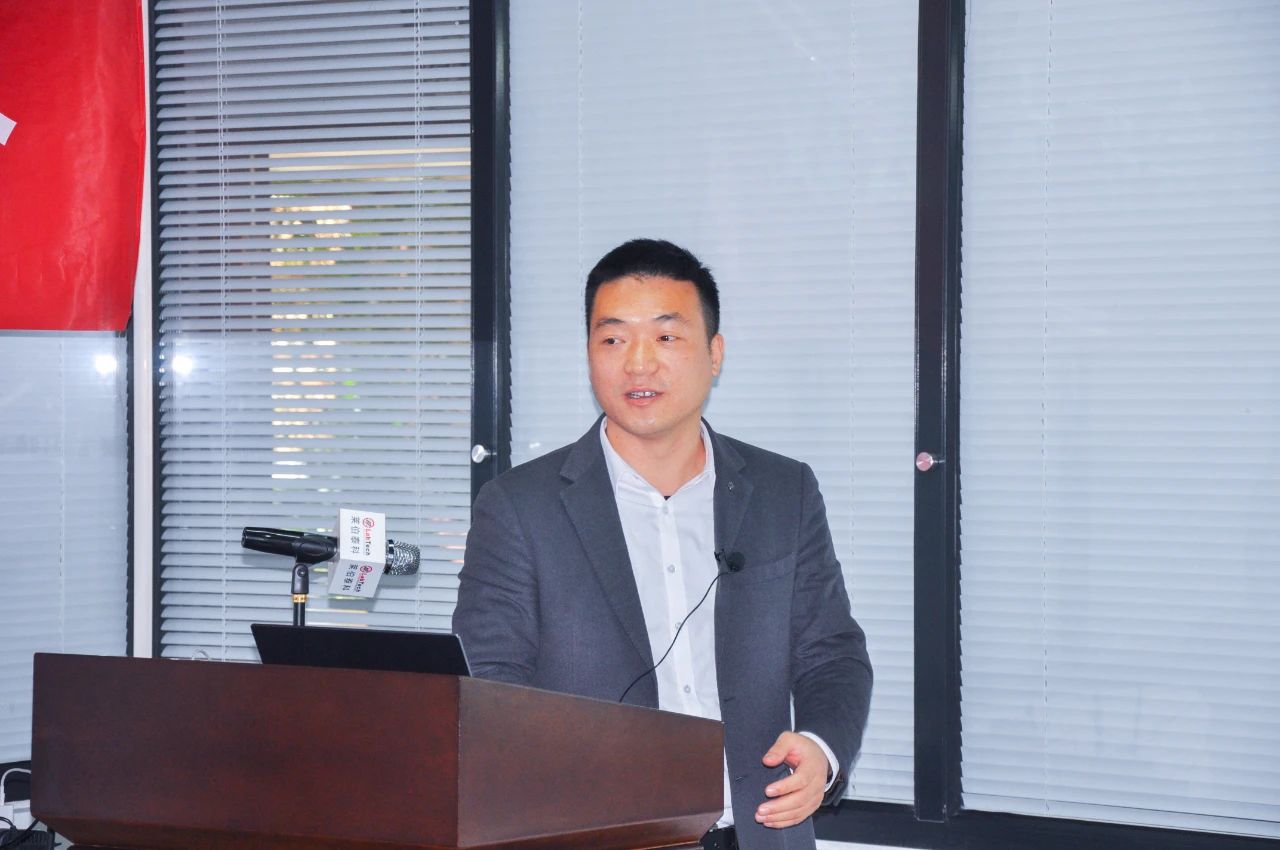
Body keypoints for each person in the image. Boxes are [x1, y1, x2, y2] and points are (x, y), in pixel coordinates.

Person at [453, 238, 873, 850]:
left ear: (714, 353)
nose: (638, 363)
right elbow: (489, 688)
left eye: (666, 336)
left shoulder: (785, 492)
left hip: (759, 834)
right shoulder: (519, 507)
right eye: (613, 339)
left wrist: (821, 749)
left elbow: (832, 653)